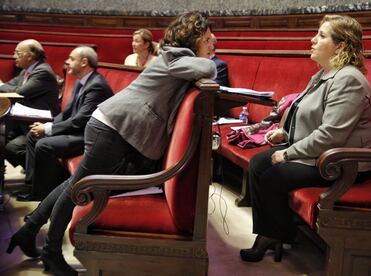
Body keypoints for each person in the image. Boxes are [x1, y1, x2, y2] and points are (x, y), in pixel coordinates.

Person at [6, 11, 216, 276]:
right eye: (208, 38)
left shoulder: (175, 56)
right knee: (77, 189)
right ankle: (51, 252)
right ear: (194, 37)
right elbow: (209, 68)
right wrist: (209, 57)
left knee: (74, 185)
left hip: (114, 126)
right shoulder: (176, 57)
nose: (213, 43)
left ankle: (29, 229)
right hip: (112, 127)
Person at [240, 14, 371, 263]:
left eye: (321, 35)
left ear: (341, 46)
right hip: (325, 154)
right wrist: (285, 134)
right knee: (259, 163)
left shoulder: (348, 80)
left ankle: (276, 234)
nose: (313, 40)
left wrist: (289, 152)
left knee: (272, 175)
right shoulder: (324, 74)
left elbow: (331, 134)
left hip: (346, 162)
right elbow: (306, 115)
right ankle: (272, 233)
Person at [16, 46, 113, 201]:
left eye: (71, 59)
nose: (67, 62)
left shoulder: (96, 86)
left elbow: (80, 120)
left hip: (87, 136)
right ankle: (31, 187)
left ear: (84, 62)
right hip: (76, 130)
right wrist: (47, 125)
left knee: (44, 145)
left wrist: (48, 129)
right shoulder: (81, 82)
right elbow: (67, 113)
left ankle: (43, 194)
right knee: (33, 136)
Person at [0, 39, 60, 170]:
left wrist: (1, 85)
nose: (14, 56)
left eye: (18, 53)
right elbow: (9, 85)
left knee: (11, 147)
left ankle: (39, 176)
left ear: (30, 55)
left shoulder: (42, 71)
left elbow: (19, 92)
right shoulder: (26, 70)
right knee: (2, 139)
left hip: (40, 123)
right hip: (24, 120)